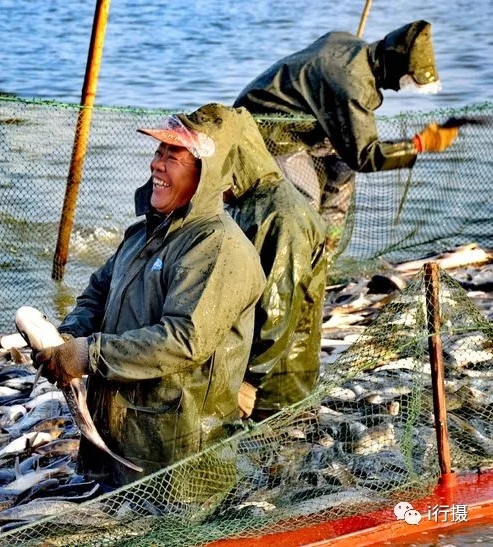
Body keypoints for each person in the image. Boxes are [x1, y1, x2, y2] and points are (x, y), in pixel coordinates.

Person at [35, 103, 266, 492]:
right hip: (120, 438)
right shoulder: (141, 234)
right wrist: (68, 337)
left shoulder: (218, 246)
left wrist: (87, 354)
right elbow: (97, 292)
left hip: (178, 457)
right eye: (158, 153)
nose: (156, 165)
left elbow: (183, 339)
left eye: (172, 157)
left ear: (204, 176)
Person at [233, 20, 459, 261]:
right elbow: (365, 157)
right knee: (303, 205)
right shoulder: (353, 87)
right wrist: (419, 144)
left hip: (305, 125)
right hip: (267, 130)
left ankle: (322, 260)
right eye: (407, 79)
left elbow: (352, 149)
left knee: (342, 170)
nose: (403, 87)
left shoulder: (349, 44)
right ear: (395, 65)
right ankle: (291, 270)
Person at [222, 105, 328, 420]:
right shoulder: (247, 200)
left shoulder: (282, 215)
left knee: (276, 456)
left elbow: (278, 306)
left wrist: (251, 381)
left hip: (276, 386)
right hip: (254, 366)